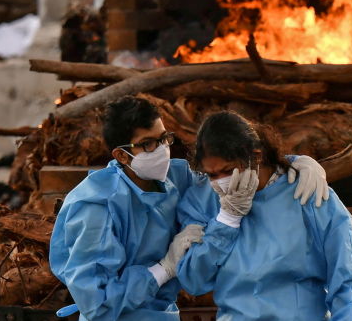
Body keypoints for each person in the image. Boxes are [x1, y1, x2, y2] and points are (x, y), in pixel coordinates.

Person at [49, 96, 329, 321]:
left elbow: (229, 168)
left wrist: (293, 162)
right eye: (147, 144)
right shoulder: (95, 207)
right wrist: (163, 269)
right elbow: (98, 305)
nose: (161, 150)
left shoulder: (175, 177)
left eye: (163, 138)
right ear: (122, 155)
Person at [176, 111, 352, 321]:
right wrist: (226, 220)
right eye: (212, 174)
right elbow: (193, 280)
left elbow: (348, 285)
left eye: (228, 170)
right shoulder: (203, 200)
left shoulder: (307, 193)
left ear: (256, 156)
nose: (220, 182)